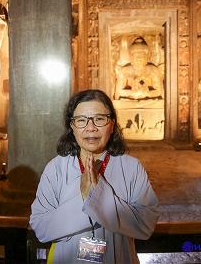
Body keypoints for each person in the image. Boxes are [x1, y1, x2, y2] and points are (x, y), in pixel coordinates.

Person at [30, 89, 159, 263]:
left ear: (112, 125)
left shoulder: (131, 167)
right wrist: (82, 198)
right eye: (81, 120)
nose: (91, 128)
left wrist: (97, 194)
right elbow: (41, 227)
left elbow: (146, 225)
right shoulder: (56, 168)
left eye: (99, 119)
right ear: (72, 127)